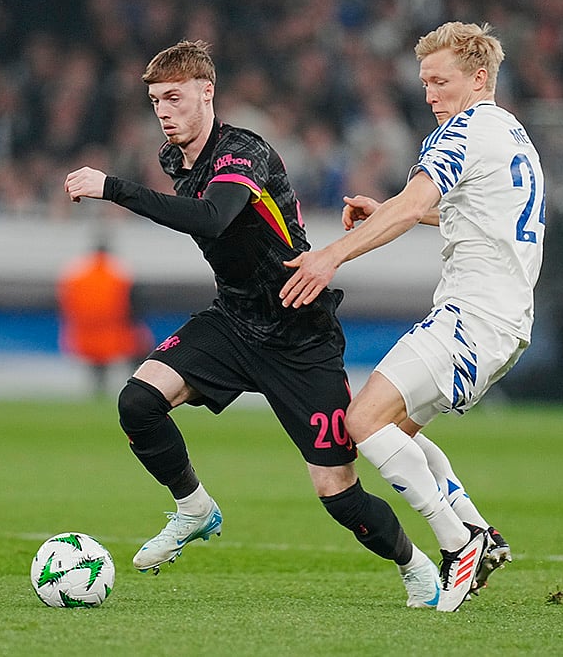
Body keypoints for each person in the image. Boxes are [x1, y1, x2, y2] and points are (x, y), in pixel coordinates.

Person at [65, 40, 444, 610]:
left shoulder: (243, 150)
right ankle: (194, 508)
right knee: (138, 402)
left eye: (174, 98)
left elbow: (214, 218)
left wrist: (112, 188)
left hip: (299, 331)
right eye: (156, 101)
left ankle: (416, 568)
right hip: (235, 320)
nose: (163, 111)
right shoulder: (175, 159)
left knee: (338, 494)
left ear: (207, 93)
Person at [280, 22, 545, 611]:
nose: (429, 95)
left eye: (440, 82)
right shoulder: (511, 132)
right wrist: (390, 209)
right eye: (425, 83)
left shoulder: (463, 130)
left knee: (362, 420)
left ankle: (458, 543)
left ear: (479, 78)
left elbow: (416, 205)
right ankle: (479, 532)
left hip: (472, 315)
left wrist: (330, 256)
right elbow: (464, 213)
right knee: (396, 431)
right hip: (503, 319)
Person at [56, 238, 152, 396]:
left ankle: (99, 389)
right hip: (116, 327)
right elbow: (132, 302)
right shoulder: (118, 271)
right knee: (137, 355)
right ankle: (138, 386)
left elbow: (65, 303)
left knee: (97, 363)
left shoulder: (77, 273)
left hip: (86, 328)